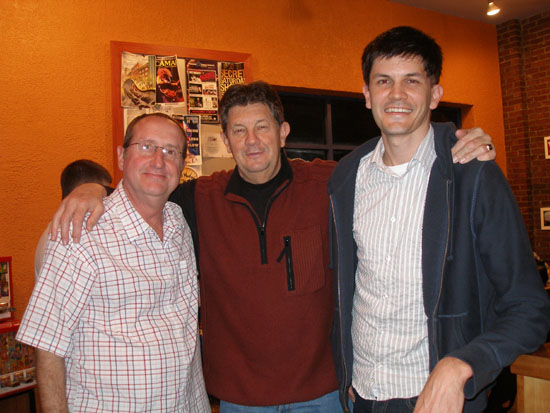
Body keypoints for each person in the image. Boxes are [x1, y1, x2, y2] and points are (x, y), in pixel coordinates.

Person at [50, 82, 496, 412]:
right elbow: (143, 186)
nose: (252, 141)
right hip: (242, 400)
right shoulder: (200, 199)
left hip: (323, 394)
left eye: (262, 127)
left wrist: (454, 141)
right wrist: (92, 188)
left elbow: (397, 159)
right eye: (239, 130)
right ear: (226, 140)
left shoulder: (331, 183)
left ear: (283, 131)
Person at [328, 26, 550, 413]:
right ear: (367, 95)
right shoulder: (345, 178)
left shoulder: (473, 174)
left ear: (434, 94)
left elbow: (529, 307)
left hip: (439, 399)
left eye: (411, 81)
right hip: (361, 396)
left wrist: (464, 363)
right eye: (384, 81)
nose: (396, 95)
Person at [17, 113, 210, 412]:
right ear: (121, 157)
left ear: (182, 165)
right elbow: (47, 346)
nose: (159, 161)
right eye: (146, 147)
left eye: (171, 151)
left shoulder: (178, 222)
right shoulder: (81, 231)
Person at [34, 159, 112, 280]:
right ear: (85, 192)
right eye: (101, 193)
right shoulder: (70, 232)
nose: (107, 200)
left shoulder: (54, 229)